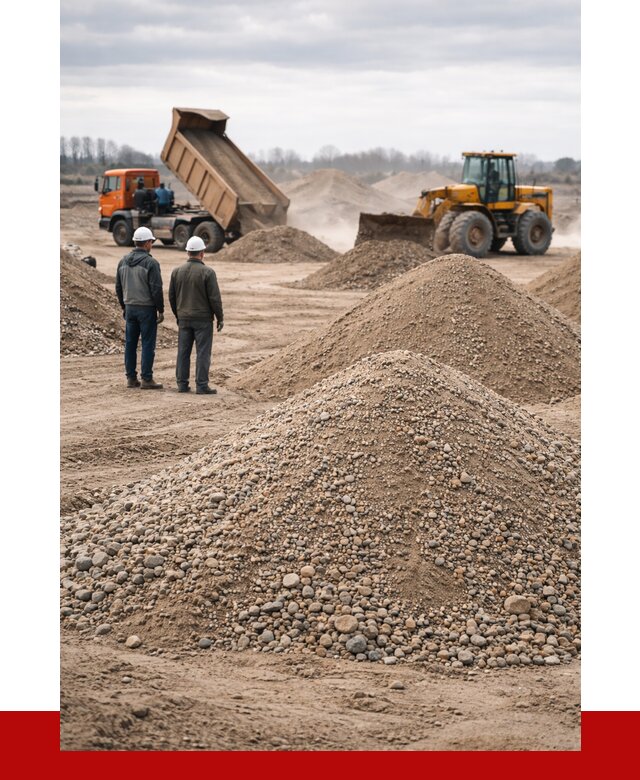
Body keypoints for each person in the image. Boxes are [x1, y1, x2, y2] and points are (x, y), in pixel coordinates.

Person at [169, 235, 224, 394]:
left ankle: (182, 384)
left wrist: (179, 314)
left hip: (184, 318)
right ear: (202, 253)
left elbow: (172, 297)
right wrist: (220, 317)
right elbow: (215, 298)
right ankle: (201, 385)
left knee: (183, 352)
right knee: (203, 353)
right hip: (203, 320)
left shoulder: (176, 271)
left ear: (188, 252)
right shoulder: (208, 272)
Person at [115, 226, 165, 389]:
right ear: (147, 242)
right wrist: (160, 309)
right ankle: (147, 379)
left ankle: (131, 378)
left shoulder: (122, 261)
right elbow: (156, 289)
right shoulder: (151, 263)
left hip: (130, 308)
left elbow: (118, 287)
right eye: (151, 242)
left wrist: (124, 306)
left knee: (130, 344)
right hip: (146, 309)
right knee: (148, 344)